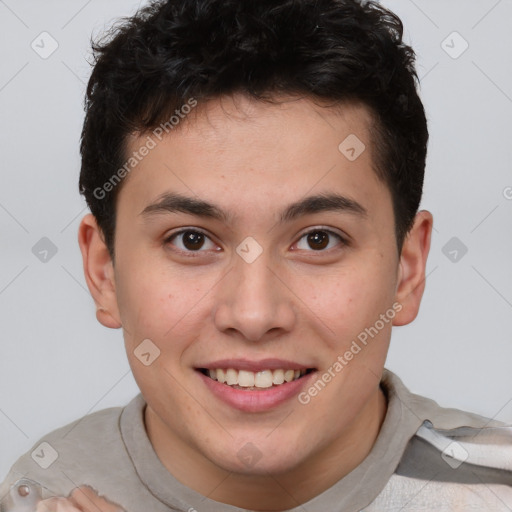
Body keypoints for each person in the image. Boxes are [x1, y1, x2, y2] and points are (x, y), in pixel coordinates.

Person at [1, 0, 511, 510]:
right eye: (192, 240)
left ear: (408, 270)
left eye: (318, 239)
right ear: (103, 272)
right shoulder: (38, 493)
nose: (253, 315)